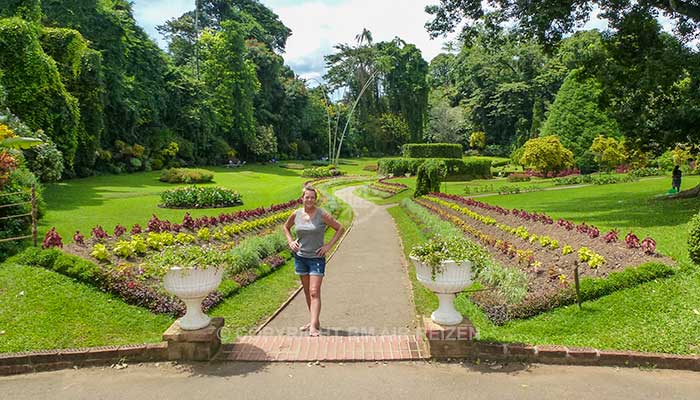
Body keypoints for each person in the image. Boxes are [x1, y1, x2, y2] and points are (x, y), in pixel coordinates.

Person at [283, 186, 344, 337]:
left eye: (312, 197)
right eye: (307, 197)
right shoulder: (296, 214)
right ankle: (314, 322)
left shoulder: (321, 214)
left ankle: (313, 328)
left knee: (314, 291)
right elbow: (286, 227)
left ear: (315, 199)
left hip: (316, 258)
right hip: (301, 257)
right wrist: (291, 241)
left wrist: (328, 246)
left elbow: (339, 228)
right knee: (307, 292)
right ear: (302, 198)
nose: (309, 200)